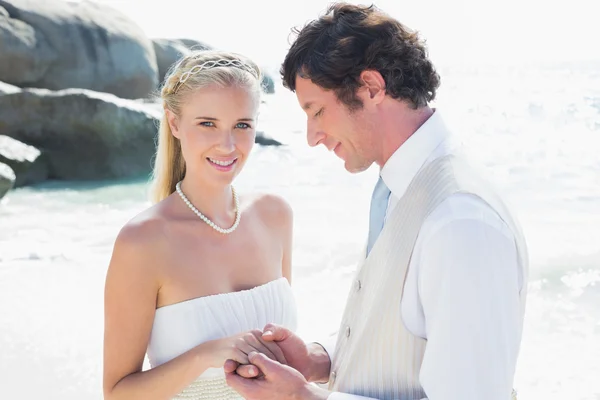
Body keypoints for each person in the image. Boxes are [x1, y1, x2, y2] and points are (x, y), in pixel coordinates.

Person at [225, 3, 529, 400]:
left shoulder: (461, 220)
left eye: (317, 111)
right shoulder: (399, 189)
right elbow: (401, 336)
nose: (312, 136)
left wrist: (301, 397)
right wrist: (320, 360)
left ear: (370, 87)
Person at [102, 49, 298, 400]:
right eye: (207, 123)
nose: (227, 144)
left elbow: (290, 360)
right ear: (174, 123)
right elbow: (117, 393)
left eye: (242, 125)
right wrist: (206, 355)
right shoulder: (142, 242)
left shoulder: (275, 216)